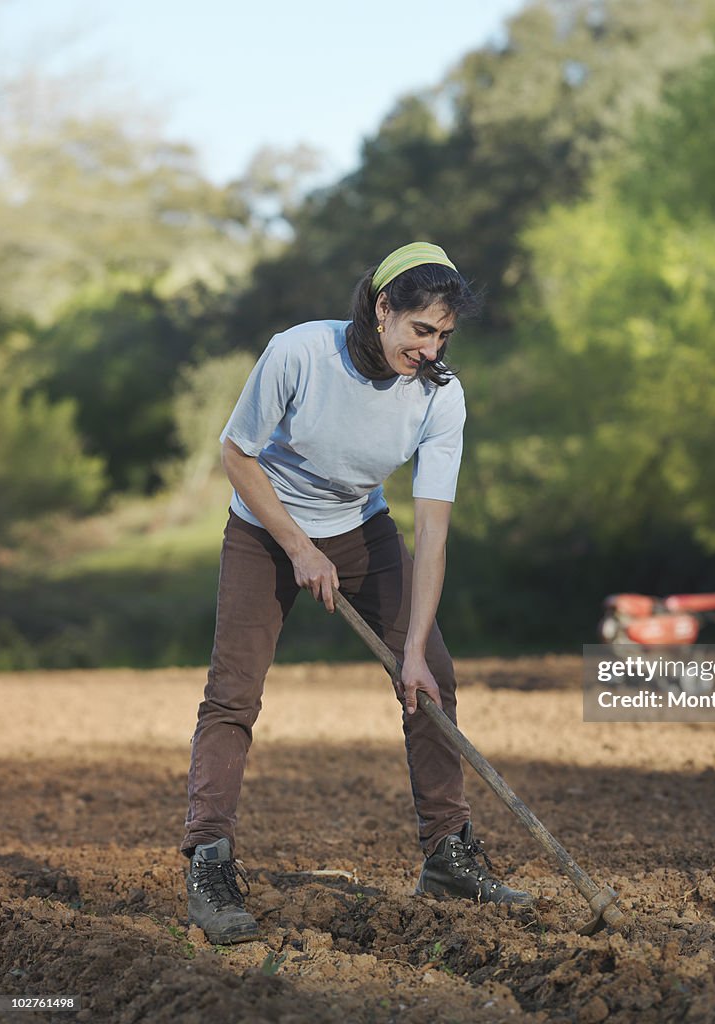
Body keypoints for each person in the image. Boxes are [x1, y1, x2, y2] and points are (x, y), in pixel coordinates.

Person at [181, 242, 533, 945]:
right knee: (233, 694)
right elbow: (236, 453)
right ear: (381, 308)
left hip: (362, 532)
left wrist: (411, 649)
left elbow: (432, 529)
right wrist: (297, 546)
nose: (432, 350)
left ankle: (447, 855)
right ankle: (208, 861)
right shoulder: (299, 354)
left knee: (432, 677)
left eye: (444, 335)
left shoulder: (440, 395)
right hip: (264, 529)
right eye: (420, 330)